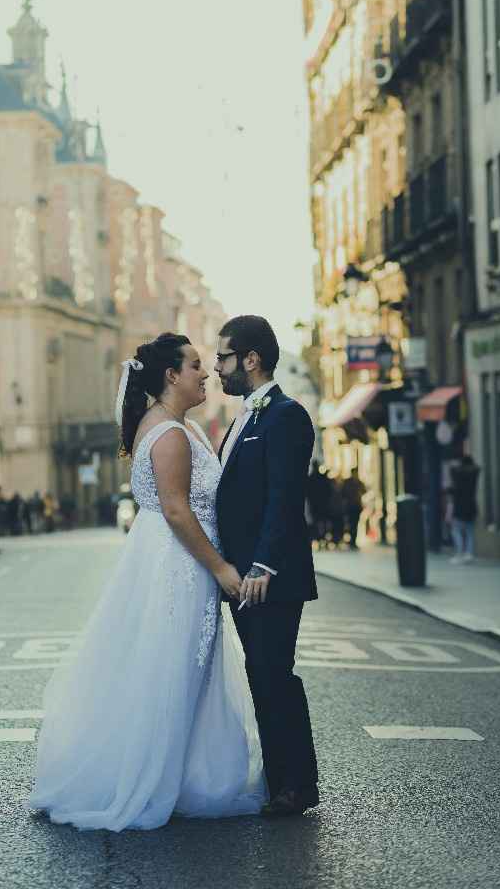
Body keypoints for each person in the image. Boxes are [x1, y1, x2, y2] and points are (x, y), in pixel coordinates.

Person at [27, 333, 265, 830]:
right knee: (173, 669)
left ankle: (173, 773)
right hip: (179, 564)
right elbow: (177, 510)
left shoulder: (168, 425)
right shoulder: (173, 434)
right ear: (171, 376)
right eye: (196, 365)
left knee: (169, 667)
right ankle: (153, 778)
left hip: (167, 558)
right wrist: (221, 568)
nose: (205, 373)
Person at [215, 315, 319, 817]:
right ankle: (282, 781)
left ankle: (297, 785)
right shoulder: (243, 419)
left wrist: (261, 567)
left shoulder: (286, 415)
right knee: (263, 675)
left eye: (223, 357)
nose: (217, 367)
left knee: (275, 674)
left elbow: (283, 498)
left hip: (268, 579)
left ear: (250, 359)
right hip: (244, 580)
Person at [449, 455, 481, 564]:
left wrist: (455, 465)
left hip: (459, 507)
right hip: (471, 506)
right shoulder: (474, 474)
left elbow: (452, 470)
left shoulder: (458, 474)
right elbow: (477, 468)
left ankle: (460, 552)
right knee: (469, 532)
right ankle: (469, 554)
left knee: (456, 530)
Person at [306, 461, 333, 547]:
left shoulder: (312, 478)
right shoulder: (321, 478)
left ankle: (319, 538)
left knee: (318, 521)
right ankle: (321, 538)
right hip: (321, 503)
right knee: (321, 521)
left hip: (316, 504)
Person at [341, 469, 366, 549]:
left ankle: (353, 541)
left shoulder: (358, 482)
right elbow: (343, 493)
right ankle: (351, 540)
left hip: (356, 506)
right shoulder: (348, 482)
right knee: (351, 524)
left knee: (355, 524)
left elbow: (364, 491)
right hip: (350, 506)